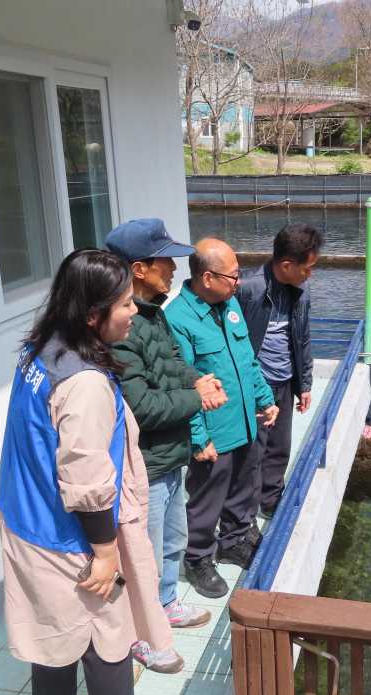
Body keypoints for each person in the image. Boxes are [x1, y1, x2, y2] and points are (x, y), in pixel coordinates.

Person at [0, 248, 181, 695]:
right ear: (94, 314)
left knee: (52, 624)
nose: (133, 311)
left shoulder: (43, 349)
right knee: (107, 631)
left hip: (26, 517)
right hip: (68, 532)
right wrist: (104, 554)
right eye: (123, 304)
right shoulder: (85, 384)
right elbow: (86, 480)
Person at [105, 218, 226, 629]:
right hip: (147, 464)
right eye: (165, 262)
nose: (174, 270)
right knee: (147, 549)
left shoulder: (153, 314)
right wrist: (199, 398)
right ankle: (145, 621)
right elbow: (140, 408)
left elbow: (173, 361)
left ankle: (168, 602)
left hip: (171, 455)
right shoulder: (122, 328)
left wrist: (197, 379)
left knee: (174, 537)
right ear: (139, 269)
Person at [164, 238, 278, 598]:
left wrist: (265, 398)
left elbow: (248, 359)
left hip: (244, 419)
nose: (238, 282)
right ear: (208, 277)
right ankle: (198, 557)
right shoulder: (178, 319)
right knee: (206, 496)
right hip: (213, 430)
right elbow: (183, 384)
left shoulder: (229, 306)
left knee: (245, 486)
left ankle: (235, 538)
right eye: (232, 275)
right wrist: (198, 439)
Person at [236, 224, 321, 518]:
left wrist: (305, 383)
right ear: (286, 265)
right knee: (252, 453)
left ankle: (271, 502)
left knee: (279, 448)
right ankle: (243, 518)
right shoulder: (248, 289)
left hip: (285, 382)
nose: (310, 274)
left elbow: (303, 337)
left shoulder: (300, 290)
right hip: (255, 385)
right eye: (307, 268)